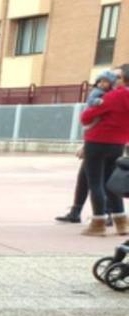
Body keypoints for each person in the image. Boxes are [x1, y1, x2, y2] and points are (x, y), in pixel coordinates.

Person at [56, 68, 122, 224]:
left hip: (103, 143)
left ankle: (104, 215)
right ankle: (77, 211)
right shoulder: (106, 95)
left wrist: (88, 145)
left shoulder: (111, 98)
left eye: (117, 76)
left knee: (101, 182)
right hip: (102, 142)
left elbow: (89, 118)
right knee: (85, 177)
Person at [79, 70, 129, 236]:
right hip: (118, 143)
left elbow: (86, 117)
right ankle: (122, 222)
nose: (114, 80)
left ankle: (98, 222)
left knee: (95, 182)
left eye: (118, 77)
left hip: (97, 141)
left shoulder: (113, 96)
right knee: (111, 182)